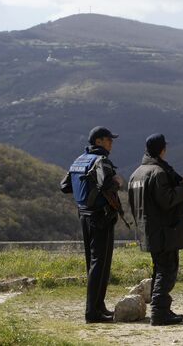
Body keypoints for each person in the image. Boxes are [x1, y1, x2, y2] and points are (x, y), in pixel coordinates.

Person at [128, 133, 183, 326]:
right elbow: (167, 200)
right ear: (162, 150)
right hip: (165, 230)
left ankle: (162, 309)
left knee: (159, 268)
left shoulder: (136, 173)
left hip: (147, 229)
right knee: (167, 270)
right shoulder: (158, 172)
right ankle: (159, 312)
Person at [64, 126, 124, 323]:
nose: (111, 143)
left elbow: (65, 186)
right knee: (101, 264)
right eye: (108, 139)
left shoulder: (79, 160)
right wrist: (117, 181)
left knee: (92, 263)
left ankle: (99, 306)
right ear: (98, 141)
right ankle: (93, 312)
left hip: (84, 215)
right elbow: (107, 186)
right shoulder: (101, 161)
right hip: (101, 217)